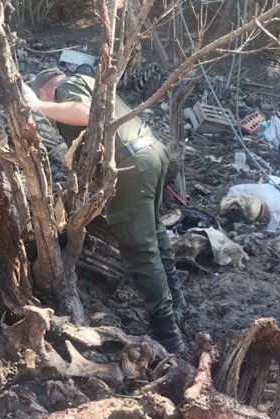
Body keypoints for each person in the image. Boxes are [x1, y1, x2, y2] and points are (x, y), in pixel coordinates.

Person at [23, 68, 189, 353]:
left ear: (44, 90)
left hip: (130, 164)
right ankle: (177, 300)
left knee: (139, 246)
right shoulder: (89, 81)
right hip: (151, 152)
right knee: (154, 230)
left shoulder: (66, 88)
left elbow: (83, 112)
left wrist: (37, 106)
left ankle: (168, 332)